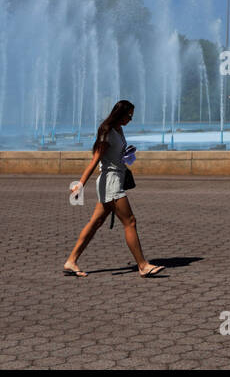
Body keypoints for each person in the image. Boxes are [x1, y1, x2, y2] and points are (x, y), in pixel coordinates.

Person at [63, 100, 164, 278]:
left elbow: (114, 154)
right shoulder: (107, 131)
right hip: (110, 182)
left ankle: (71, 261)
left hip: (115, 178)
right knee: (130, 221)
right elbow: (95, 160)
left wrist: (126, 155)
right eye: (129, 115)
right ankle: (143, 265)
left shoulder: (118, 129)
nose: (131, 119)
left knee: (95, 223)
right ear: (120, 114)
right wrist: (80, 184)